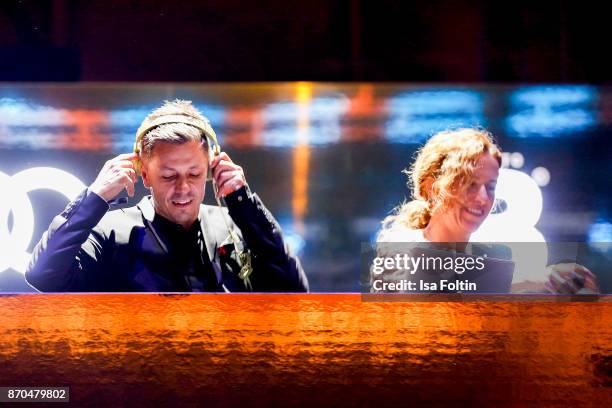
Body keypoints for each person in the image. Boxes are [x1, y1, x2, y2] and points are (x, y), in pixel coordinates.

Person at [26, 100, 308, 292]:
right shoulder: (109, 230)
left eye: (194, 174)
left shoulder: (234, 225)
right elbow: (43, 275)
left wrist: (246, 205)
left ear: (211, 170)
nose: (183, 188)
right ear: (145, 175)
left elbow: (294, 290)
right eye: (169, 176)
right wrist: (94, 198)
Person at [374, 128, 598, 294]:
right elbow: (436, 281)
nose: (483, 198)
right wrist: (544, 280)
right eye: (469, 184)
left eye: (490, 187)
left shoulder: (483, 257)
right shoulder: (400, 246)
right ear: (431, 188)